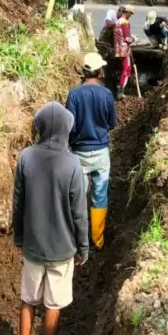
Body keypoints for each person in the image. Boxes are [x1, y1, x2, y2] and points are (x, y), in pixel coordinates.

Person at [8, 101, 89, 335]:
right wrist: (83, 247)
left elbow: (18, 203)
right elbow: (79, 212)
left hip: (33, 246)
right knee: (53, 304)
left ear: (40, 127)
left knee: (28, 300)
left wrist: (19, 236)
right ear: (67, 129)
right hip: (62, 250)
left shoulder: (26, 157)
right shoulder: (73, 163)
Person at [66, 53, 118, 250]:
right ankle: (98, 240)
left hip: (79, 154)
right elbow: (112, 123)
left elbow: (70, 126)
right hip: (101, 152)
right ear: (100, 71)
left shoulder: (74, 94)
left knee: (78, 196)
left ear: (84, 71)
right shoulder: (107, 94)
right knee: (100, 195)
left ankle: (78, 241)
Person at [113, 5, 136, 99]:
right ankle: (120, 90)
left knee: (123, 68)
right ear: (127, 12)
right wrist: (134, 39)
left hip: (118, 49)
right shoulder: (125, 23)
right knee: (127, 69)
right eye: (130, 14)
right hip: (124, 50)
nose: (131, 16)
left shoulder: (118, 21)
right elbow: (127, 38)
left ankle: (119, 87)